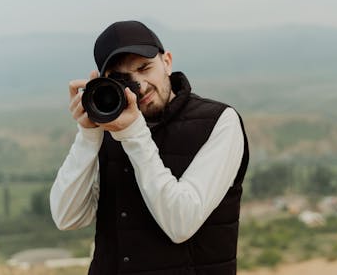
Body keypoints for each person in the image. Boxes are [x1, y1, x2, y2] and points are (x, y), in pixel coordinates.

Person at [50, 20, 249, 274]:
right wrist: (88, 135)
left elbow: (181, 223)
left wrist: (133, 134)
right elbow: (67, 217)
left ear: (167, 62)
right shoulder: (109, 129)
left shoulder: (220, 122)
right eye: (121, 79)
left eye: (145, 68)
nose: (140, 85)